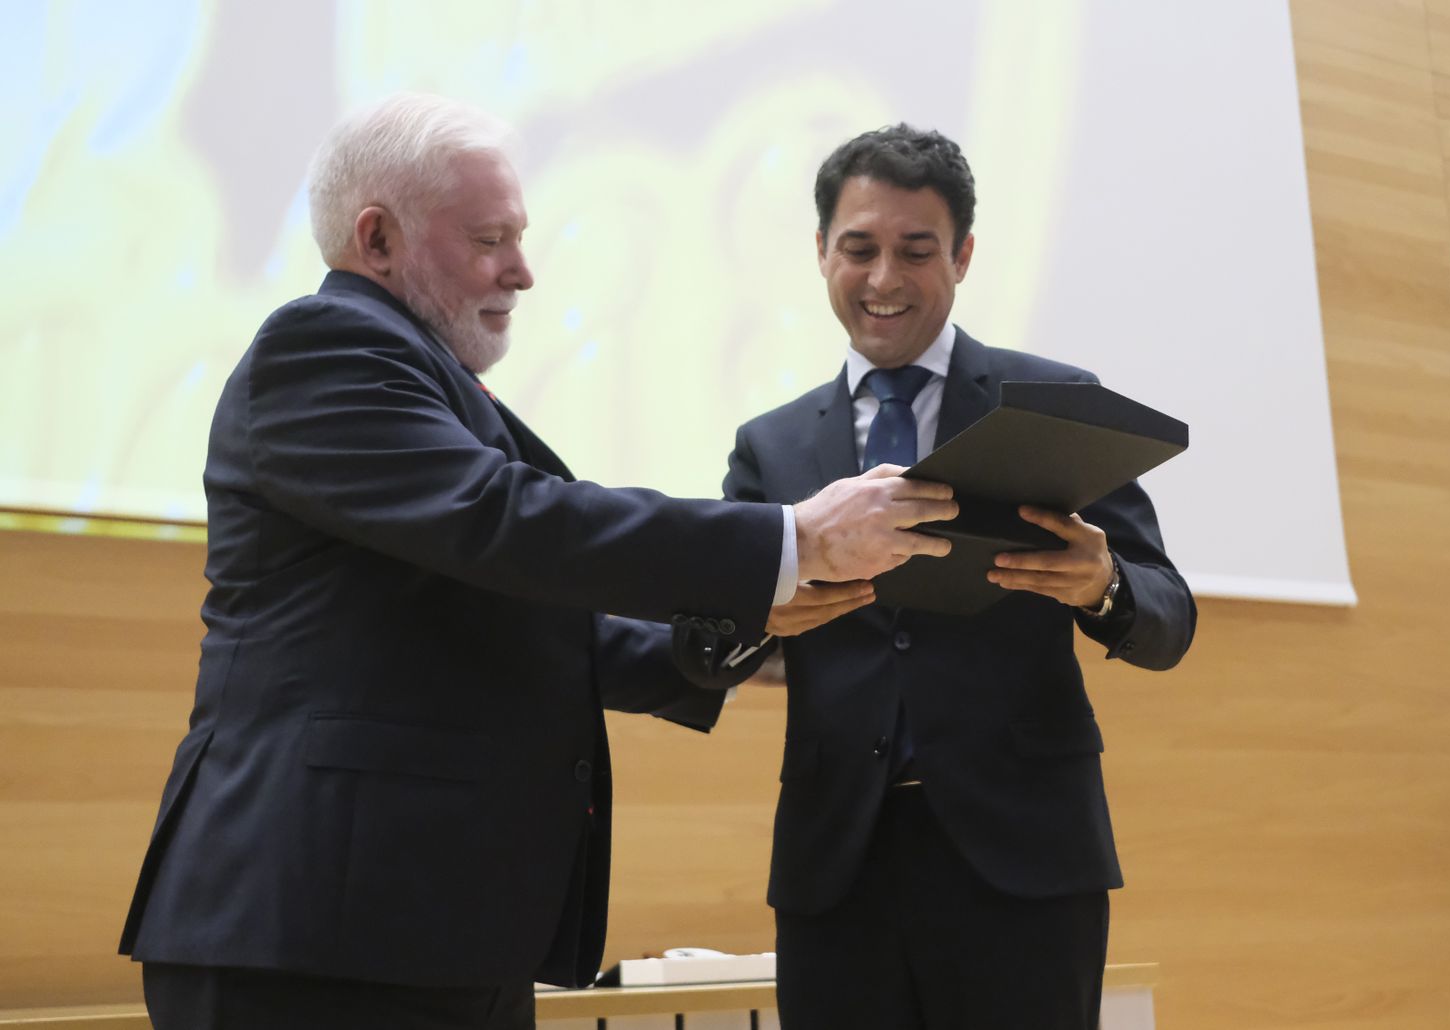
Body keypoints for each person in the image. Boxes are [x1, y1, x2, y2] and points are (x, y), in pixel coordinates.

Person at [117, 95, 958, 1030]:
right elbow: (504, 520)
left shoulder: (426, 379)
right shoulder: (322, 348)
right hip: (308, 926)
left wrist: (744, 634)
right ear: (378, 238)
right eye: (491, 240)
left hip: (426, 927)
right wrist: (788, 540)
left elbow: (521, 619)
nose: (522, 271)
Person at [722, 124, 1197, 1030]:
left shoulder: (1056, 407)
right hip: (837, 870)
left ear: (964, 255)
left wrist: (1103, 584)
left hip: (1026, 862)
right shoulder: (769, 446)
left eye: (916, 250)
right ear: (820, 250)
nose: (884, 278)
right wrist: (758, 620)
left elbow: (1169, 617)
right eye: (858, 248)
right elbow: (709, 637)